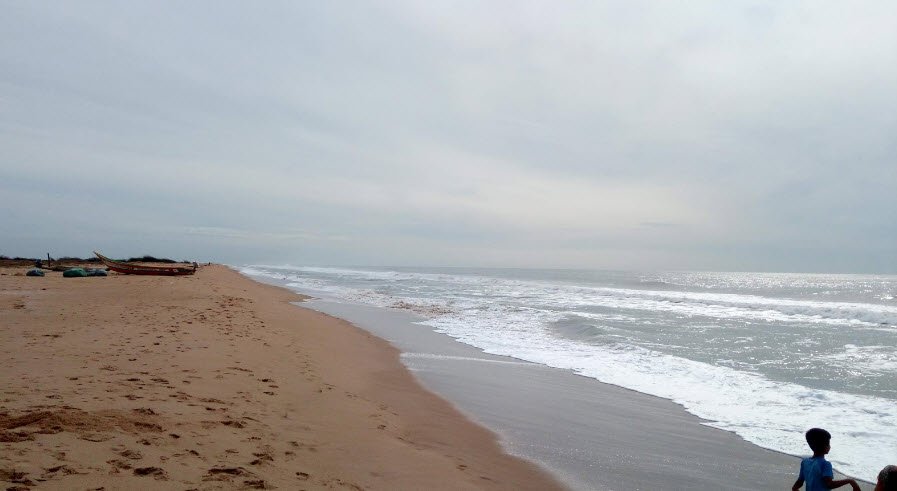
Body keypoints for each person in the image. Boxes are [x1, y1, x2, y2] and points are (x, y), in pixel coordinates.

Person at [792, 428, 860, 491]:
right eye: (828, 444)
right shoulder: (825, 464)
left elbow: (797, 485)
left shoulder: (805, 462)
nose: (830, 446)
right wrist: (850, 481)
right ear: (825, 446)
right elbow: (829, 484)